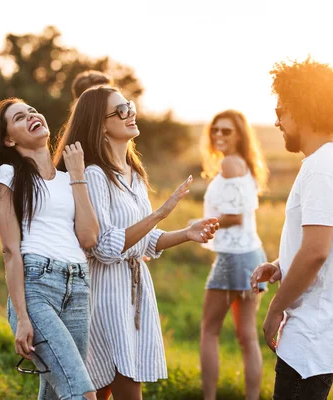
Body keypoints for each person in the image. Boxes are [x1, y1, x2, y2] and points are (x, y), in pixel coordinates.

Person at [54, 86, 219, 400]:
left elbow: (143, 241)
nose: (130, 113)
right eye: (120, 110)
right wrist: (159, 213)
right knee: (122, 388)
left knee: (101, 392)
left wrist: (186, 233)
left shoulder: (135, 175)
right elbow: (103, 247)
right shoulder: (95, 175)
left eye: (129, 106)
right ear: (101, 125)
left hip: (134, 292)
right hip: (104, 296)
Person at [251, 57, 333, 400]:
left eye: (282, 110)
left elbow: (316, 251)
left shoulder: (323, 168)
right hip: (319, 328)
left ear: (302, 110)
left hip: (311, 333)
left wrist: (275, 311)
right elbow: (316, 245)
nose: (277, 121)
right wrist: (281, 265)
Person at [0, 98, 99, 400]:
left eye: (32, 111)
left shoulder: (69, 178)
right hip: (37, 289)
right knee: (82, 393)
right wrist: (22, 317)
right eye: (19, 117)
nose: (32, 116)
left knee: (57, 394)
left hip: (79, 289)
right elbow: (10, 251)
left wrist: (78, 174)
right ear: (8, 138)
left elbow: (89, 238)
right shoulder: (8, 175)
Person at [198, 109, 270, 400]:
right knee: (247, 337)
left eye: (226, 131)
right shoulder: (247, 165)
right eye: (215, 130)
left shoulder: (229, 163)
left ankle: (209, 398)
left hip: (232, 257)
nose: (218, 135)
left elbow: (235, 217)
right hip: (253, 254)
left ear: (239, 133)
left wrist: (197, 225)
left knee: (209, 331)